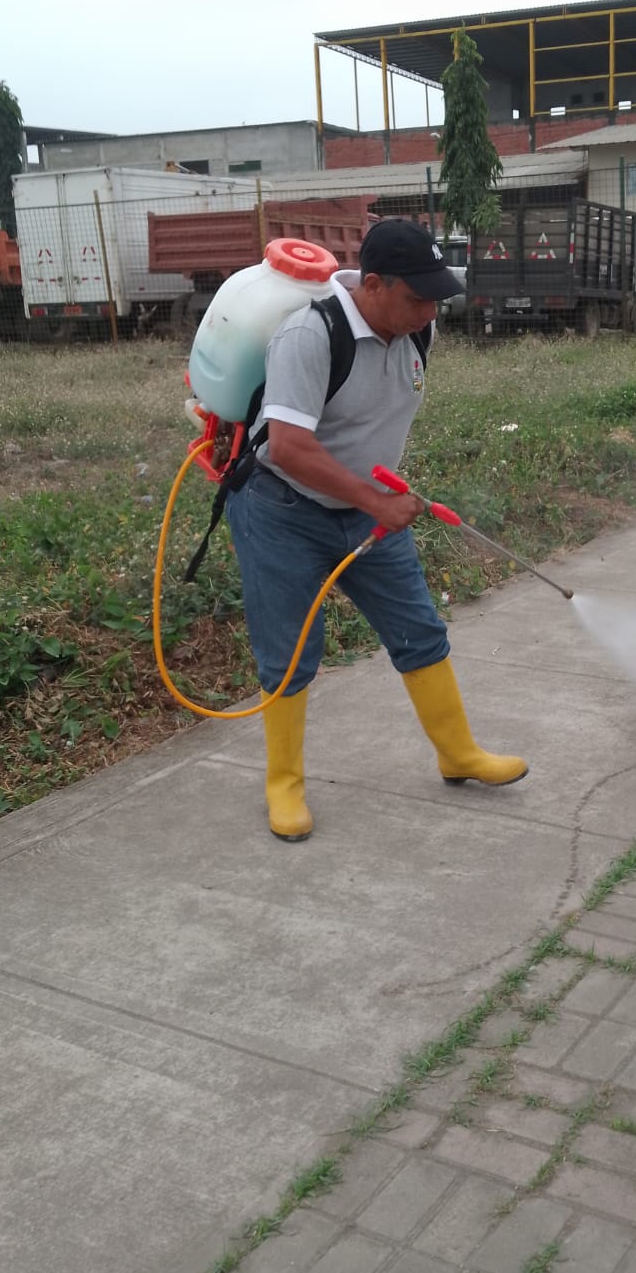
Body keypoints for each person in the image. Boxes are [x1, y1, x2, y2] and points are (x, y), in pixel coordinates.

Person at [226, 217, 527, 841]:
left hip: (366, 507)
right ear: (373, 284)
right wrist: (375, 500)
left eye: (436, 298)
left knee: (419, 629)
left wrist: (375, 498)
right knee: (289, 653)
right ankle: (284, 786)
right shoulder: (310, 334)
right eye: (416, 298)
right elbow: (287, 447)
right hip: (281, 510)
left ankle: (459, 754)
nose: (429, 312)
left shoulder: (418, 330)